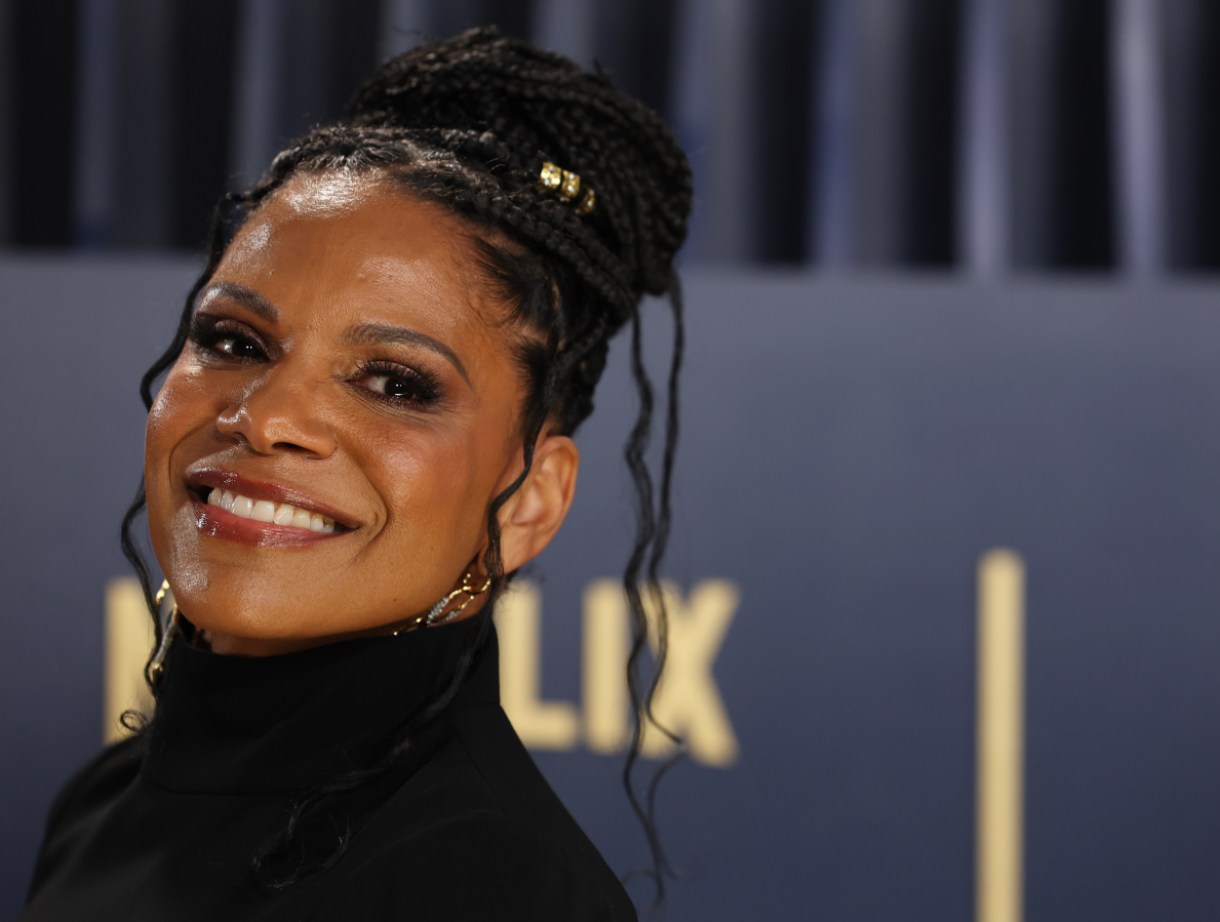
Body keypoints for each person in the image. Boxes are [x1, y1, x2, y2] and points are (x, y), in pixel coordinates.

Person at [19, 25, 691, 922]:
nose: (265, 415)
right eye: (233, 341)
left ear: (529, 502)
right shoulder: (103, 799)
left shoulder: (492, 887)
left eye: (395, 383)